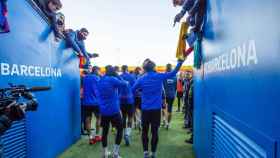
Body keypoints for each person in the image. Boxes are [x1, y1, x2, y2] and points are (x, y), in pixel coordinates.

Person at [132, 58, 185, 158]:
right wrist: (180, 62)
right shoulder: (159, 76)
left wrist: (141, 92)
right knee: (155, 132)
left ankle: (145, 153)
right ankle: (153, 153)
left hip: (146, 110)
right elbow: (173, 72)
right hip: (156, 110)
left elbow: (132, 90)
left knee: (144, 132)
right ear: (154, 68)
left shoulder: (141, 78)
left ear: (145, 69)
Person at [97, 65, 128, 158]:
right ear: (113, 71)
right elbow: (125, 84)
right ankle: (115, 153)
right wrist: (117, 75)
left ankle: (105, 153)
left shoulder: (100, 80)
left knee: (105, 132)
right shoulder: (112, 79)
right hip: (114, 110)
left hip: (104, 111)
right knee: (120, 129)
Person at [82, 66, 102, 145]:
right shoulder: (97, 78)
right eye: (99, 71)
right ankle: (97, 136)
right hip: (96, 102)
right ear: (96, 70)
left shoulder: (85, 78)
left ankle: (90, 137)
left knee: (87, 119)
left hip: (86, 102)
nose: (99, 72)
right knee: (99, 118)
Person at [119, 65, 135, 146]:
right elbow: (135, 87)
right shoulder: (131, 77)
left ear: (122, 69)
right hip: (130, 100)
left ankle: (125, 132)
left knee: (124, 117)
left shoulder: (119, 76)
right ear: (127, 69)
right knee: (130, 117)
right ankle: (127, 134)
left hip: (121, 100)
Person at [163, 64, 177, 129]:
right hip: (172, 95)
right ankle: (168, 123)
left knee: (164, 108)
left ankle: (164, 121)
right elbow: (175, 87)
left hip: (165, 95)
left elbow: (162, 86)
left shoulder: (164, 75)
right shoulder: (174, 76)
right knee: (170, 109)